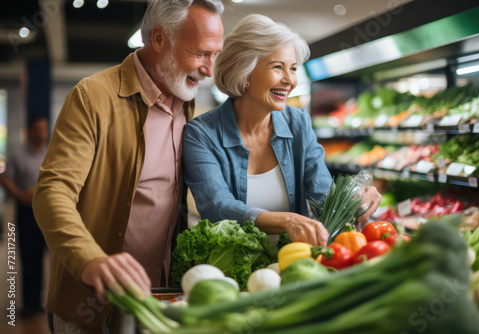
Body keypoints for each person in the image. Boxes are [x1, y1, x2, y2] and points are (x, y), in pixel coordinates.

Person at [32, 0, 224, 332]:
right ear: (160, 39)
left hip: (161, 299)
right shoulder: (92, 97)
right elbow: (52, 193)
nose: (209, 69)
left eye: (214, 55)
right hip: (90, 302)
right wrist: (89, 259)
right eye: (201, 53)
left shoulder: (190, 107)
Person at [183, 14, 381, 247]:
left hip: (294, 260)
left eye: (293, 68)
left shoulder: (298, 123)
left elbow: (322, 194)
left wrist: (354, 201)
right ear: (244, 71)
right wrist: (288, 221)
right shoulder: (201, 134)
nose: (290, 80)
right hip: (234, 264)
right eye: (278, 67)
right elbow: (217, 206)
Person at [0, 115, 49, 318]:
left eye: (44, 129)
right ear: (29, 132)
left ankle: (39, 302)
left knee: (44, 258)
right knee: (29, 257)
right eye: (37, 129)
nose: (41, 133)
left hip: (46, 212)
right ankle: (29, 304)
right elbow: (5, 179)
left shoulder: (49, 154)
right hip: (27, 212)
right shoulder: (18, 155)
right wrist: (20, 195)